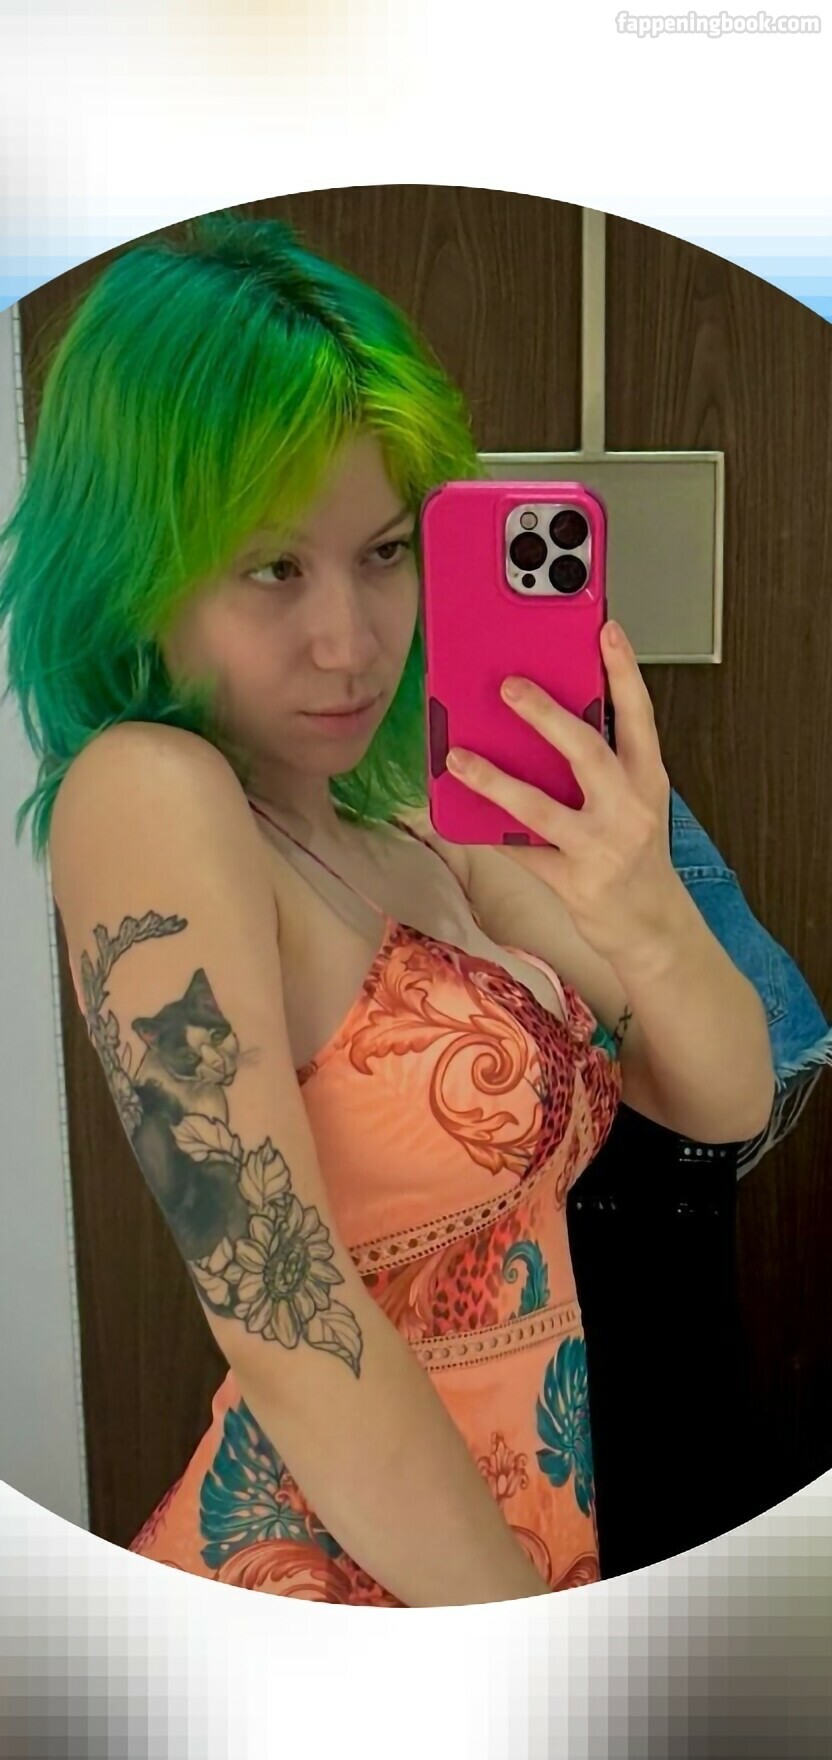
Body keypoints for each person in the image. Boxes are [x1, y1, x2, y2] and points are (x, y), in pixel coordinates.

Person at [0, 213, 776, 1607]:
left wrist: (645, 901)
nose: (350, 643)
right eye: (274, 568)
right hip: (360, 1599)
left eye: (384, 552)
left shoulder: (412, 813)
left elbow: (717, 1109)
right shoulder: (151, 791)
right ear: (136, 568)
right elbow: (283, 1318)